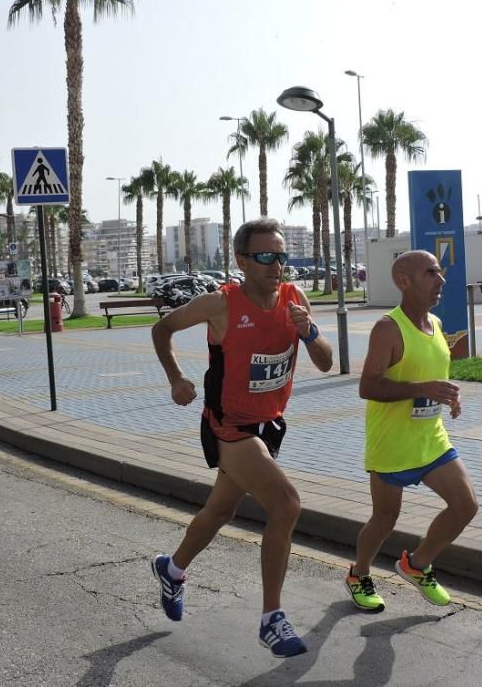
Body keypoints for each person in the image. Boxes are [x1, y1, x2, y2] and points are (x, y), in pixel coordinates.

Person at [150, 219, 333, 658]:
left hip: (268, 425)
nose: (277, 265)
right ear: (242, 261)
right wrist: (177, 378)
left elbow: (326, 362)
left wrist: (308, 332)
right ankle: (272, 618)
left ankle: (172, 570)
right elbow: (162, 330)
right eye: (266, 256)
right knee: (286, 502)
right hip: (227, 425)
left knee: (220, 509)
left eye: (282, 256)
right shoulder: (220, 304)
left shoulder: (294, 300)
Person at [345, 250, 478, 612]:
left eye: (440, 273)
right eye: (431, 273)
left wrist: (450, 395)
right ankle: (359, 574)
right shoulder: (388, 328)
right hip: (392, 443)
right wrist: (421, 389)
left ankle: (416, 565)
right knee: (385, 519)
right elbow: (368, 387)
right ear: (404, 281)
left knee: (466, 505)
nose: (441, 279)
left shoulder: (436, 325)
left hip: (431, 439)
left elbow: (433, 378)